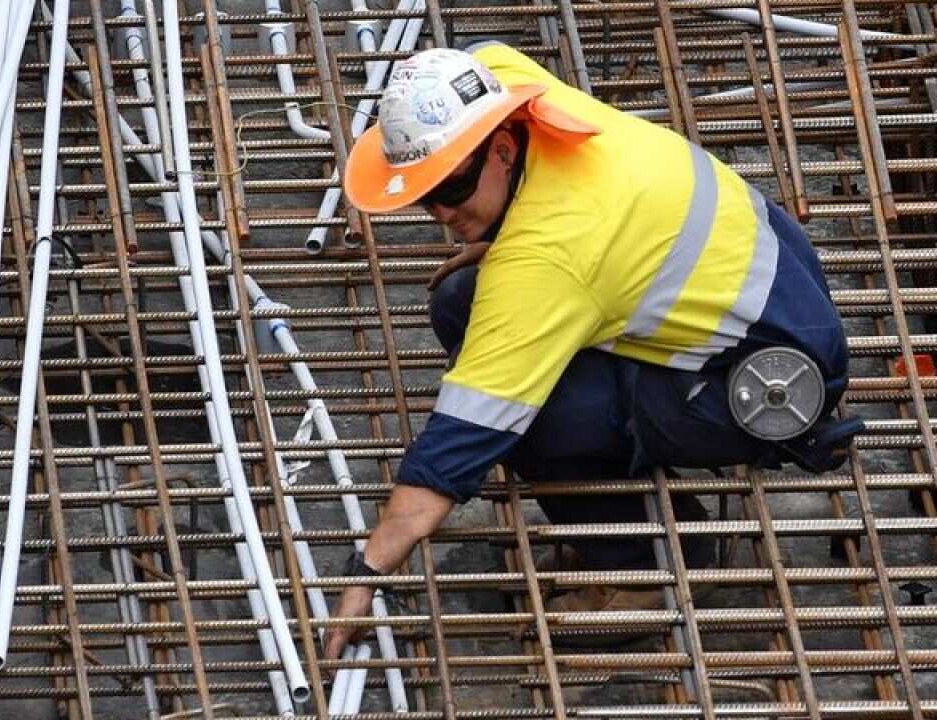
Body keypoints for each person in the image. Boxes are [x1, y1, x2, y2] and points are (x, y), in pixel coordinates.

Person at [323, 43, 856, 657]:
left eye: (454, 185)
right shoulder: (505, 82)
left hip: (762, 384)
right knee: (462, 301)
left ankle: (651, 564)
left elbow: (460, 441)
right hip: (770, 268)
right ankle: (625, 511)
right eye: (425, 194)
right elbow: (477, 55)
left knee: (527, 423)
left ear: (503, 149)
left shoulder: (550, 257)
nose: (442, 213)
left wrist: (366, 573)